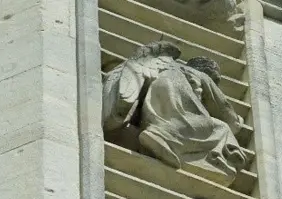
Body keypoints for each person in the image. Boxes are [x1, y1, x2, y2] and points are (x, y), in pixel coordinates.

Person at [103, 41, 246, 187]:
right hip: (180, 97)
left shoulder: (167, 65)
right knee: (221, 128)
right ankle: (166, 137)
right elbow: (223, 108)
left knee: (176, 119)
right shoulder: (202, 75)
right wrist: (237, 121)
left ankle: (159, 134)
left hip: (157, 96)